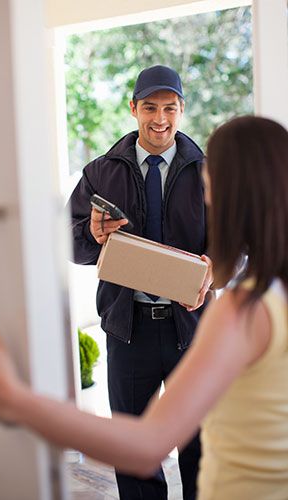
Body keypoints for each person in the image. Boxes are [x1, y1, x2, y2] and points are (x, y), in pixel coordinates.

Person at [0, 116, 288, 500]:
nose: (204, 193)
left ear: (234, 191)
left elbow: (147, 444)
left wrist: (7, 395)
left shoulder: (242, 312)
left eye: (210, 179)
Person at [66, 65, 213, 500]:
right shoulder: (99, 172)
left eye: (170, 108)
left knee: (200, 447)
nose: (160, 119)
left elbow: (237, 248)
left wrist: (214, 269)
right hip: (128, 330)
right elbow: (68, 244)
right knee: (134, 451)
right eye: (150, 107)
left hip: (193, 328)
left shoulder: (209, 172)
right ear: (133, 108)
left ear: (182, 110)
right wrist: (92, 235)